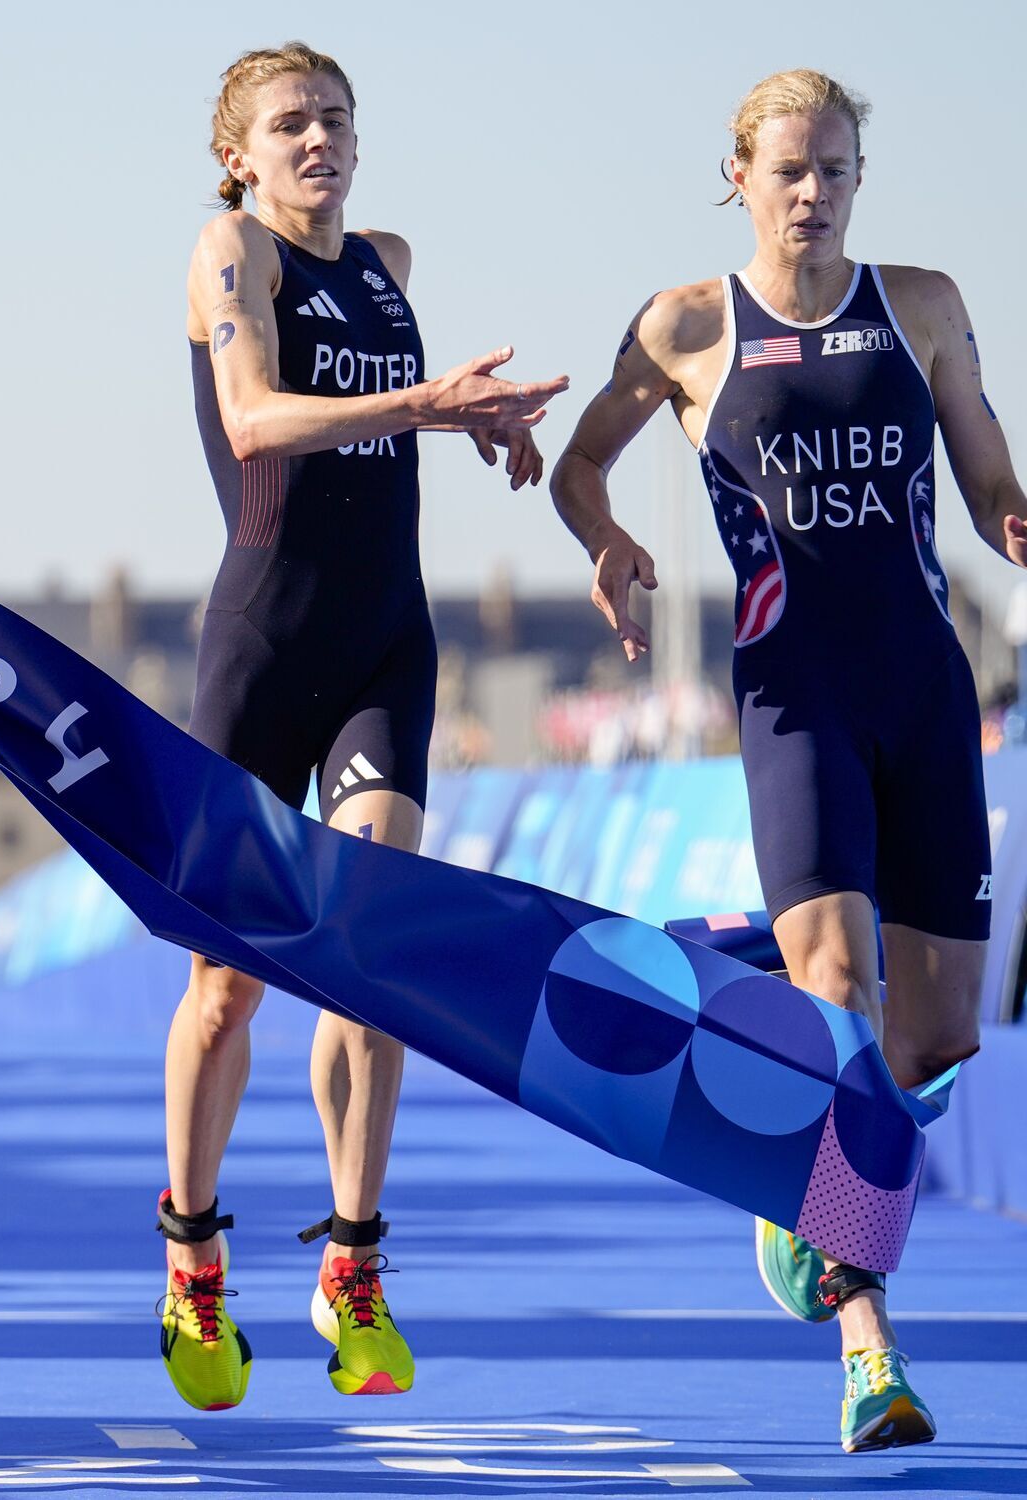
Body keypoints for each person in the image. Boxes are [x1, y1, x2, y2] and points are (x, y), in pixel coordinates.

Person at [550, 68, 1016, 1453]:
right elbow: (584, 466)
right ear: (740, 178)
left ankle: (783, 1118)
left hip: (926, 694)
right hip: (792, 697)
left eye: (837, 171)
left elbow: (987, 461)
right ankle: (868, 1351)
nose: (814, 195)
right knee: (839, 996)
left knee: (935, 1036)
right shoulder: (689, 325)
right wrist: (612, 545)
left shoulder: (920, 302)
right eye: (789, 172)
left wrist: (1012, 512)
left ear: (860, 179)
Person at [161, 41, 567, 1411]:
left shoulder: (383, 256)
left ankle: (352, 1258)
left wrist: (475, 431)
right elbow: (256, 417)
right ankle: (195, 1255)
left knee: (370, 954)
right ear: (240, 152)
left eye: (335, 117)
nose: (318, 139)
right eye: (289, 124)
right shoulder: (232, 252)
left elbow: (387, 423)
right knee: (228, 988)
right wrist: (429, 402)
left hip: (387, 644)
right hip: (264, 652)